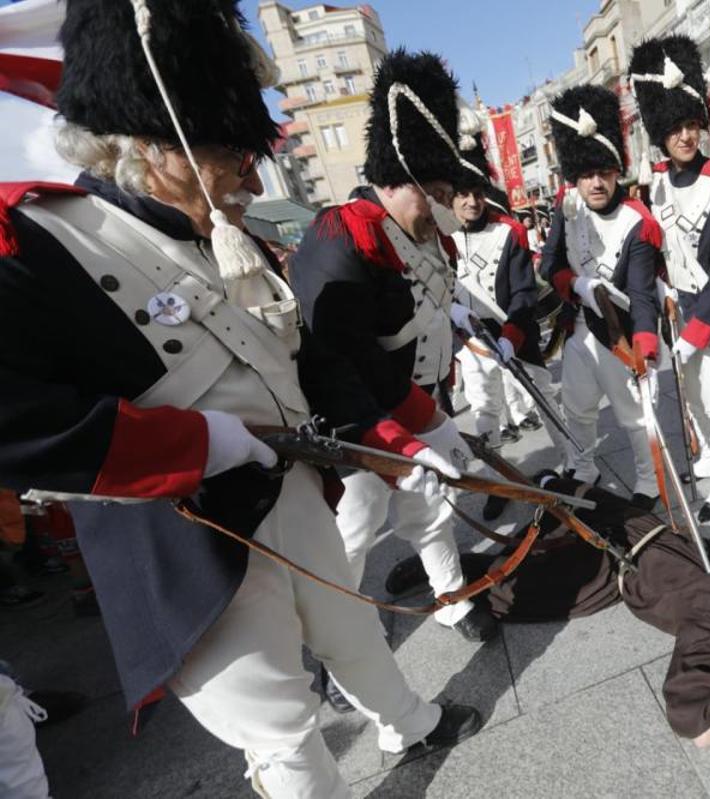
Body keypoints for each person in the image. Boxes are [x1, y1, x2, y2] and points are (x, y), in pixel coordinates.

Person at [0, 4, 480, 795]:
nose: (252, 178)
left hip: (292, 486)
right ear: (158, 146)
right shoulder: (44, 243)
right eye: (233, 155)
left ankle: (411, 721)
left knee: (350, 623)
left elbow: (309, 360)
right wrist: (195, 446)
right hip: (189, 535)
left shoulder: (231, 235)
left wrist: (395, 448)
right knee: (283, 726)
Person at [391, 475, 710, 745]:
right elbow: (698, 726)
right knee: (509, 597)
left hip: (627, 518)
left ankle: (544, 499)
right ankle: (448, 572)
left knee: (541, 541)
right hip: (607, 560)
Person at [290, 51, 499, 645]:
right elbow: (338, 354)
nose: (440, 206)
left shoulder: (434, 241)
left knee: (430, 512)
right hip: (361, 419)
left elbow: (433, 318)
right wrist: (403, 429)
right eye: (431, 191)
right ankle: (340, 645)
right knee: (354, 534)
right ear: (395, 178)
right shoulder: (344, 233)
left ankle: (452, 601)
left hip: (421, 398)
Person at [629, 34, 710, 522]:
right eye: (674, 127)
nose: (685, 136)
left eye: (692, 125)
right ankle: (706, 464)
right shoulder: (653, 181)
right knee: (693, 403)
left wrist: (696, 334)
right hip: (676, 309)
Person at [539, 85, 662, 511]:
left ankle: (649, 483)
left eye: (604, 171)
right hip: (579, 330)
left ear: (617, 172)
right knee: (578, 409)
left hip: (623, 334)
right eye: (587, 173)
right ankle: (584, 468)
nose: (596, 182)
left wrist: (645, 346)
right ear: (575, 175)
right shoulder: (567, 206)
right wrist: (578, 286)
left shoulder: (638, 222)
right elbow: (549, 265)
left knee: (635, 417)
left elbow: (644, 293)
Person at [448, 114, 564, 516]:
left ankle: (578, 465)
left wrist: (511, 337)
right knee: (484, 412)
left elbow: (522, 292)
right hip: (471, 341)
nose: (471, 201)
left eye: (476, 191)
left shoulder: (509, 231)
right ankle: (498, 483)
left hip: (513, 336)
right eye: (462, 193)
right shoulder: (439, 238)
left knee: (545, 398)